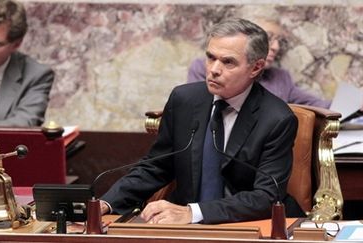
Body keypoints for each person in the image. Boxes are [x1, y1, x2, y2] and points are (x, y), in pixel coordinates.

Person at [100, 18, 302, 224]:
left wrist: (193, 213)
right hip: (181, 225)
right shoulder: (184, 100)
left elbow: (266, 197)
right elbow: (156, 167)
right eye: (210, 57)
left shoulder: (277, 119)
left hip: (245, 225)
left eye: (228, 62)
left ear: (256, 68)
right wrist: (106, 203)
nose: (214, 69)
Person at [187, 18, 331, 109]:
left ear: (256, 68)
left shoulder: (280, 78)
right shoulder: (203, 69)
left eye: (278, 40)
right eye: (268, 37)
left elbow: (318, 105)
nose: (275, 47)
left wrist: (351, 109)